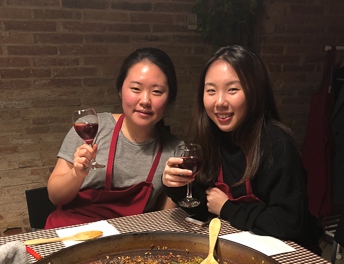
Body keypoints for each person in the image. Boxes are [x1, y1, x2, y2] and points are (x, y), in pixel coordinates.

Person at [163, 45, 323, 253]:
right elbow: (205, 206)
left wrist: (228, 208)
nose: (220, 102)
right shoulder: (212, 138)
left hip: (291, 255)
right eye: (211, 90)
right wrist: (175, 185)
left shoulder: (276, 143)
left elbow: (290, 222)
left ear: (255, 92)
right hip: (242, 248)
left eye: (233, 90)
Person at [45, 47, 181, 228]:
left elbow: (163, 220)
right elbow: (55, 197)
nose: (145, 100)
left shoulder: (175, 150)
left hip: (127, 241)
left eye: (156, 91)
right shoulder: (90, 128)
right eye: (135, 89)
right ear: (120, 90)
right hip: (72, 233)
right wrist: (76, 173)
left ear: (169, 98)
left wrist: (177, 188)